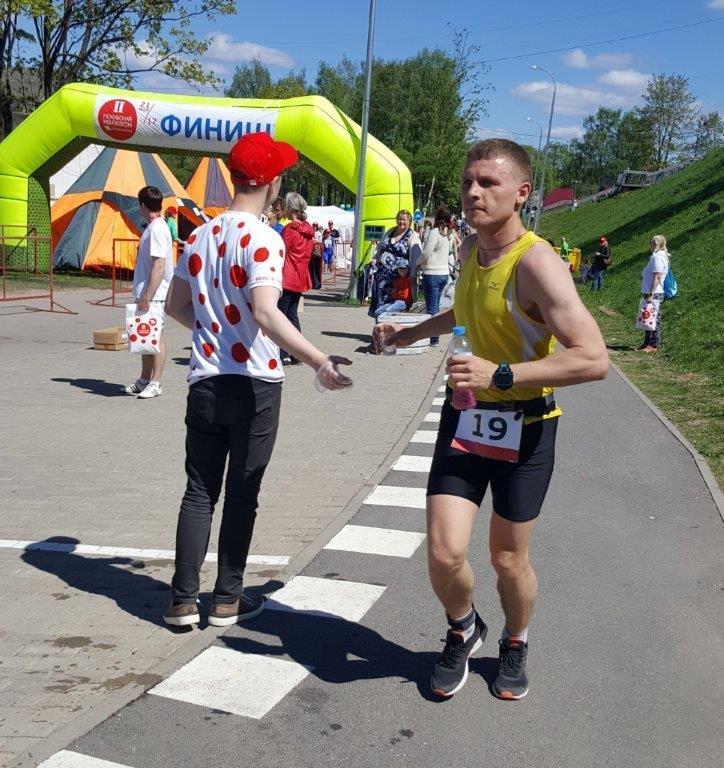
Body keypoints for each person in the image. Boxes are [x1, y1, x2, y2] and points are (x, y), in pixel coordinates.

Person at [373, 138, 608, 701]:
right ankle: (463, 627)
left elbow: (593, 358)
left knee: (507, 559)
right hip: (466, 418)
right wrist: (409, 333)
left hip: (527, 425)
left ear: (522, 193)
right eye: (467, 183)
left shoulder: (537, 263)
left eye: (487, 183)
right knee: (443, 551)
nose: (472, 193)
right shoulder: (471, 249)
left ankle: (516, 639)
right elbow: (468, 310)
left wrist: (499, 374)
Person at [162, 132, 352, 628]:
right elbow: (267, 312)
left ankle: (182, 600)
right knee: (242, 493)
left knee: (199, 491)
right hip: (254, 384)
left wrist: (213, 331)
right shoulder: (264, 238)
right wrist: (318, 360)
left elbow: (176, 306)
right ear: (271, 183)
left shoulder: (199, 235)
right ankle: (226, 599)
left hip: (206, 379)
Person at [124, 185, 174, 399]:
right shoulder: (152, 227)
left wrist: (148, 296)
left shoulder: (157, 230)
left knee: (156, 336)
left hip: (155, 295)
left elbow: (159, 266)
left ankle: (156, 382)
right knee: (144, 335)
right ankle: (144, 379)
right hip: (147, 292)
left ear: (143, 205)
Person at [278, 192, 315, 364]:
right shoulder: (309, 232)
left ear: (291, 209)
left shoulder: (289, 231)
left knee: (280, 317)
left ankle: (282, 353)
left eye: (285, 206)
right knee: (292, 316)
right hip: (300, 279)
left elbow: (279, 252)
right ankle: (297, 353)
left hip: (286, 278)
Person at [368, 210, 421, 319]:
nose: (401, 222)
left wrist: (412, 273)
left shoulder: (412, 236)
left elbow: (416, 257)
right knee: (379, 305)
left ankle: (389, 328)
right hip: (382, 276)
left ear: (409, 222)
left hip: (398, 279)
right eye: (400, 219)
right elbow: (380, 248)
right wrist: (375, 259)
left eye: (404, 220)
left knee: (392, 308)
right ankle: (379, 328)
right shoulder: (390, 232)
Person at [418, 207, 451, 347]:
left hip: (432, 273)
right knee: (436, 306)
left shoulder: (435, 232)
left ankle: (433, 338)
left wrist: (416, 263)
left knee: (431, 308)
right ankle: (435, 336)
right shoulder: (449, 233)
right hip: (444, 273)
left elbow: (426, 253)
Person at [637, 234, 669, 353]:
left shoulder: (658, 258)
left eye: (650, 242)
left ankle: (654, 345)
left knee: (654, 318)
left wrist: (651, 293)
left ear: (655, 244)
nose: (649, 244)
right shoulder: (658, 256)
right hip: (651, 292)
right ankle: (646, 343)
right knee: (648, 316)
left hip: (654, 293)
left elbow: (657, 277)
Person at [309, 222, 323, 289]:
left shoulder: (319, 233)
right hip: (311, 251)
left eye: (315, 226)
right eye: (313, 226)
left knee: (317, 268)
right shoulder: (311, 232)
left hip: (317, 251)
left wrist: (314, 241)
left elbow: (320, 242)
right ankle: (312, 283)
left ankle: (317, 284)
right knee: (311, 268)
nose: (314, 227)